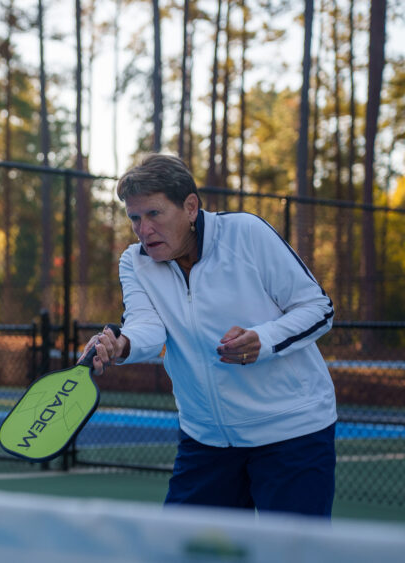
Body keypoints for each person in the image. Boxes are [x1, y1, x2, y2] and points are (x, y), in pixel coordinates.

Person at [84, 153, 337, 517]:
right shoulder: (135, 262)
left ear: (190, 207)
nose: (143, 229)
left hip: (292, 434)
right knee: (185, 546)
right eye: (134, 218)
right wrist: (122, 345)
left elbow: (318, 308)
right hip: (205, 440)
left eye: (154, 214)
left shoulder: (246, 233)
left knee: (291, 549)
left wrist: (263, 340)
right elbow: (147, 326)